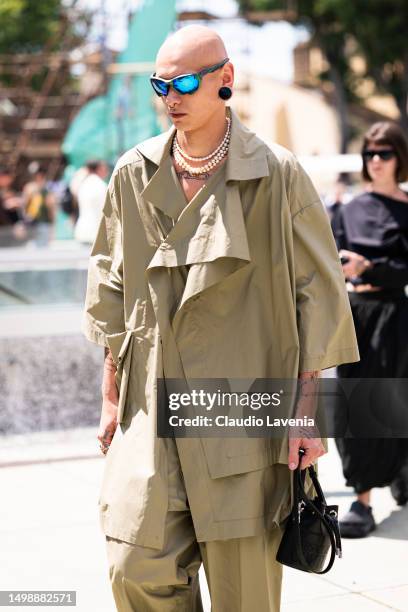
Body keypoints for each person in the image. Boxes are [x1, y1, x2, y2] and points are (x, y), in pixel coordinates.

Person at [83, 25, 359, 611]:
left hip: (246, 409)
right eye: (161, 84)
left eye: (184, 81)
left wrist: (308, 416)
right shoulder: (134, 174)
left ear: (225, 79)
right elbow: (110, 289)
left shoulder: (278, 175)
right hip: (152, 406)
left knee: (245, 595)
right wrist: (110, 395)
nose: (171, 96)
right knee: (134, 563)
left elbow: (319, 300)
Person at [333, 121, 408, 538]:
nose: (375, 161)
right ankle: (361, 501)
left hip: (395, 314)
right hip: (355, 311)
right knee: (354, 405)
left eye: (383, 153)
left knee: (395, 399)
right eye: (369, 154)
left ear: (399, 157)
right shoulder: (349, 210)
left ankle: (400, 468)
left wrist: (372, 267)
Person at [74, 160, 108, 245]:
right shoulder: (100, 185)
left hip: (82, 231)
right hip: (95, 233)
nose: (106, 171)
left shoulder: (83, 184)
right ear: (99, 169)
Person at [23, 166, 56, 247]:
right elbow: (24, 205)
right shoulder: (29, 187)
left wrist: (53, 224)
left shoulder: (47, 189)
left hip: (44, 222)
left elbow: (51, 207)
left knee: (43, 247)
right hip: (31, 222)